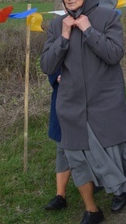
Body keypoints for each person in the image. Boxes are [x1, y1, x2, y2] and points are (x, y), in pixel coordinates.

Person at [41, 0, 126, 224]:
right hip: (70, 103)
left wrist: (88, 30)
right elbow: (47, 66)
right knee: (77, 156)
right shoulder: (56, 24)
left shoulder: (108, 17)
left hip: (104, 98)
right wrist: (63, 37)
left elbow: (114, 54)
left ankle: (120, 189)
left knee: (109, 148)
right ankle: (91, 210)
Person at [42, 71, 71, 212]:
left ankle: (99, 180)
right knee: (62, 146)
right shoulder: (54, 47)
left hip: (85, 93)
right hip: (62, 97)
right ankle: (60, 196)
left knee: (92, 141)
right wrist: (56, 77)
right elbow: (50, 60)